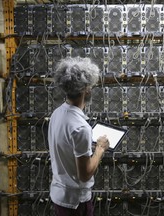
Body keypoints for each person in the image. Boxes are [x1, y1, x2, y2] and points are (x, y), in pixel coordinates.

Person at [48, 57, 110, 216]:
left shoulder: (57, 114)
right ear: (86, 89)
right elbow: (85, 174)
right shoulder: (81, 127)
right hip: (75, 203)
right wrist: (100, 149)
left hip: (59, 195)